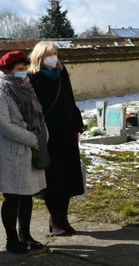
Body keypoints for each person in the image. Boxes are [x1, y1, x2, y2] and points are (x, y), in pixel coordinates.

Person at [28, 41, 84, 236]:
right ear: (40, 56)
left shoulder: (61, 72)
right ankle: (54, 217)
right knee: (53, 178)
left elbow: (70, 98)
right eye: (50, 53)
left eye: (55, 52)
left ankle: (64, 216)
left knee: (68, 175)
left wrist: (77, 126)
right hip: (48, 133)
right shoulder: (31, 77)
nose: (54, 56)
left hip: (67, 131)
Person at [0, 51, 48, 254]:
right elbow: (4, 125)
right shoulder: (2, 90)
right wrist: (32, 140)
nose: (24, 73)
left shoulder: (26, 86)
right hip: (13, 151)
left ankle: (26, 235)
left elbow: (38, 114)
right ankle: (12, 240)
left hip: (32, 150)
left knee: (27, 195)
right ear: (8, 70)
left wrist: (44, 136)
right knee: (13, 198)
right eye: (20, 69)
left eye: (25, 68)